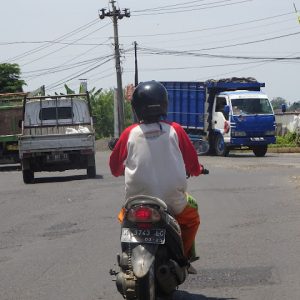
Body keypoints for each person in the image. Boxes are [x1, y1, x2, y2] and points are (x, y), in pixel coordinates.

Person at [109, 80, 206, 272]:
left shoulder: (129, 133)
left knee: (124, 219)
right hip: (172, 200)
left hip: (137, 201)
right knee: (192, 217)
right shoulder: (175, 130)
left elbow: (114, 168)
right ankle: (182, 258)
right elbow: (193, 163)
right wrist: (197, 170)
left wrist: (122, 170)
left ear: (136, 107)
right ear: (164, 103)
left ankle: (128, 257)